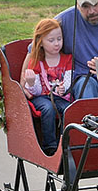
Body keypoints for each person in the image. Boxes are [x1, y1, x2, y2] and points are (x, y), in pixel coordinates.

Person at [22, 18, 72, 155]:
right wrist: (31, 82)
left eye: (59, 39)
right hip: (41, 97)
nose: (57, 44)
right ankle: (49, 145)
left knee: (68, 110)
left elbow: (68, 79)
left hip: (59, 97)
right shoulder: (37, 61)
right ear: (41, 42)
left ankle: (65, 144)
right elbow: (36, 91)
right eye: (51, 40)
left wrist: (64, 88)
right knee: (47, 108)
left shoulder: (67, 59)